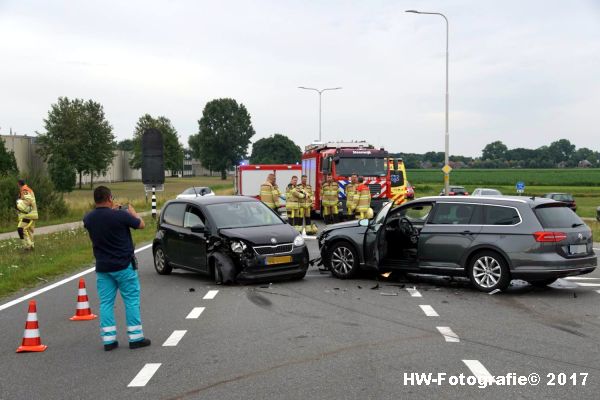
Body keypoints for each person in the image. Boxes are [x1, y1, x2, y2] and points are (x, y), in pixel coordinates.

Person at [83, 186, 150, 351]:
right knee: (131, 301)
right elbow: (141, 225)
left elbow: (101, 219)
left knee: (106, 303)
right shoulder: (121, 216)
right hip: (123, 266)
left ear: (95, 200)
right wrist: (132, 212)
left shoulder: (88, 218)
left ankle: (109, 341)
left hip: (103, 267)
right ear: (110, 198)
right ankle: (136, 338)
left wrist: (111, 211)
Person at [16, 179, 38, 251]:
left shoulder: (24, 189)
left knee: (21, 229)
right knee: (29, 231)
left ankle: (28, 246)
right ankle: (32, 246)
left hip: (29, 214)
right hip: (33, 214)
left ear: (19, 184)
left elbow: (28, 200)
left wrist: (20, 206)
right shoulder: (28, 189)